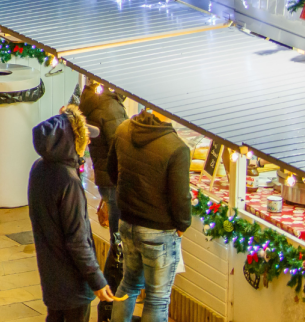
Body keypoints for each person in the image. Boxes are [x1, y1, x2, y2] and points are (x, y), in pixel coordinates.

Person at [29, 108, 116, 322]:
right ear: (71, 141)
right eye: (85, 139)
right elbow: (77, 240)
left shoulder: (39, 168)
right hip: (72, 282)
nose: (89, 144)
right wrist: (97, 280)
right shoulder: (69, 181)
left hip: (51, 275)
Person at [106, 109, 191, 322]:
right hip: (159, 233)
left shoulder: (124, 129)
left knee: (128, 284)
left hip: (127, 223)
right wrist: (182, 226)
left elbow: (111, 171)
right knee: (157, 299)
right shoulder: (177, 148)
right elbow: (180, 198)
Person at [79, 81, 128, 238]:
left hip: (104, 175)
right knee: (118, 236)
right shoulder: (110, 107)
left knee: (115, 232)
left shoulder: (93, 99)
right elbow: (120, 146)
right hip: (114, 178)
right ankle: (116, 261)